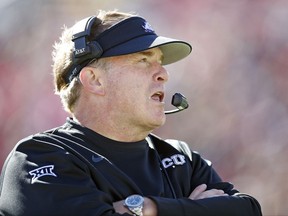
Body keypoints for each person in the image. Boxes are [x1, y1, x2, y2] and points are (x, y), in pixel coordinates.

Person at [0, 10, 262, 216]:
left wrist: (148, 208)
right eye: (143, 60)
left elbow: (248, 209)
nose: (163, 74)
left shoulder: (181, 159)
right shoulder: (39, 157)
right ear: (94, 79)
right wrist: (193, 209)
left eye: (160, 62)